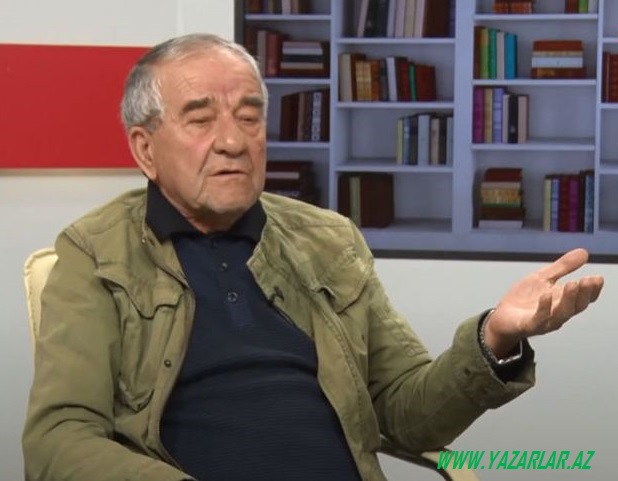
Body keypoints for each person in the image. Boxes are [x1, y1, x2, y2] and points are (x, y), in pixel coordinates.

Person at [22, 33, 604, 481]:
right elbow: (58, 440)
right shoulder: (96, 252)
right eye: (200, 119)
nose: (233, 141)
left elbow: (408, 417)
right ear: (145, 149)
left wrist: (494, 337)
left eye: (249, 116)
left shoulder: (328, 239)